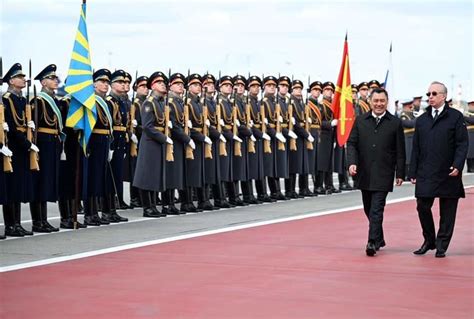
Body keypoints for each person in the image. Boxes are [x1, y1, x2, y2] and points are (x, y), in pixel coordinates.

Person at [410, 81, 468, 258]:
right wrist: (412, 172)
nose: (430, 97)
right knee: (422, 206)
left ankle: (442, 244)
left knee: (448, 210)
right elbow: (416, 148)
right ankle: (430, 240)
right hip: (426, 171)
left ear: (444, 96)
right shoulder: (422, 120)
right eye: (428, 94)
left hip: (449, 171)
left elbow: (462, 143)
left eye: (434, 94)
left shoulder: (455, 117)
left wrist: (458, 165)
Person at [347, 87, 405, 256]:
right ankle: (379, 236)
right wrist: (352, 163)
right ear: (370, 102)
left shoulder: (394, 123)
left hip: (384, 172)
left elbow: (400, 150)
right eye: (376, 101)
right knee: (368, 207)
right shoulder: (360, 120)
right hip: (364, 171)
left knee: (377, 208)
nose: (379, 104)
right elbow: (351, 144)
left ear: (387, 102)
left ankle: (372, 242)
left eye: (382, 101)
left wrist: (400, 173)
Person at [2, 63, 36, 236]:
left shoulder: (22, 99)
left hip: (22, 146)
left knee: (19, 186)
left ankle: (17, 223)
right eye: (20, 77)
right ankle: (10, 224)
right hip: (14, 145)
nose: (24, 80)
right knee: (11, 186)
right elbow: (12, 127)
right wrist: (27, 144)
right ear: (11, 80)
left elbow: (22, 123)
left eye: (24, 77)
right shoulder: (7, 99)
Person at [29, 64, 64, 233]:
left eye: (55, 78)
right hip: (42, 143)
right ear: (43, 83)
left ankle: (43, 219)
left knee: (47, 180)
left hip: (53, 143)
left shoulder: (55, 101)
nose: (55, 80)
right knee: (40, 181)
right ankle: (38, 220)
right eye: (52, 78)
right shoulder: (38, 100)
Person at [133, 71, 170, 217]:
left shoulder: (160, 103)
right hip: (150, 142)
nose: (163, 85)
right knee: (146, 175)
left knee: (154, 175)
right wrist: (163, 138)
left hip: (157, 142)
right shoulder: (149, 103)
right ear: (153, 86)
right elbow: (148, 126)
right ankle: (147, 207)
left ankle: (153, 206)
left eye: (163, 83)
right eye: (160, 83)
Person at [464, 101, 474, 172]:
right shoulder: (466, 113)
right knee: (470, 152)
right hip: (469, 133)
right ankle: (470, 167)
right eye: (472, 105)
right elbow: (471, 121)